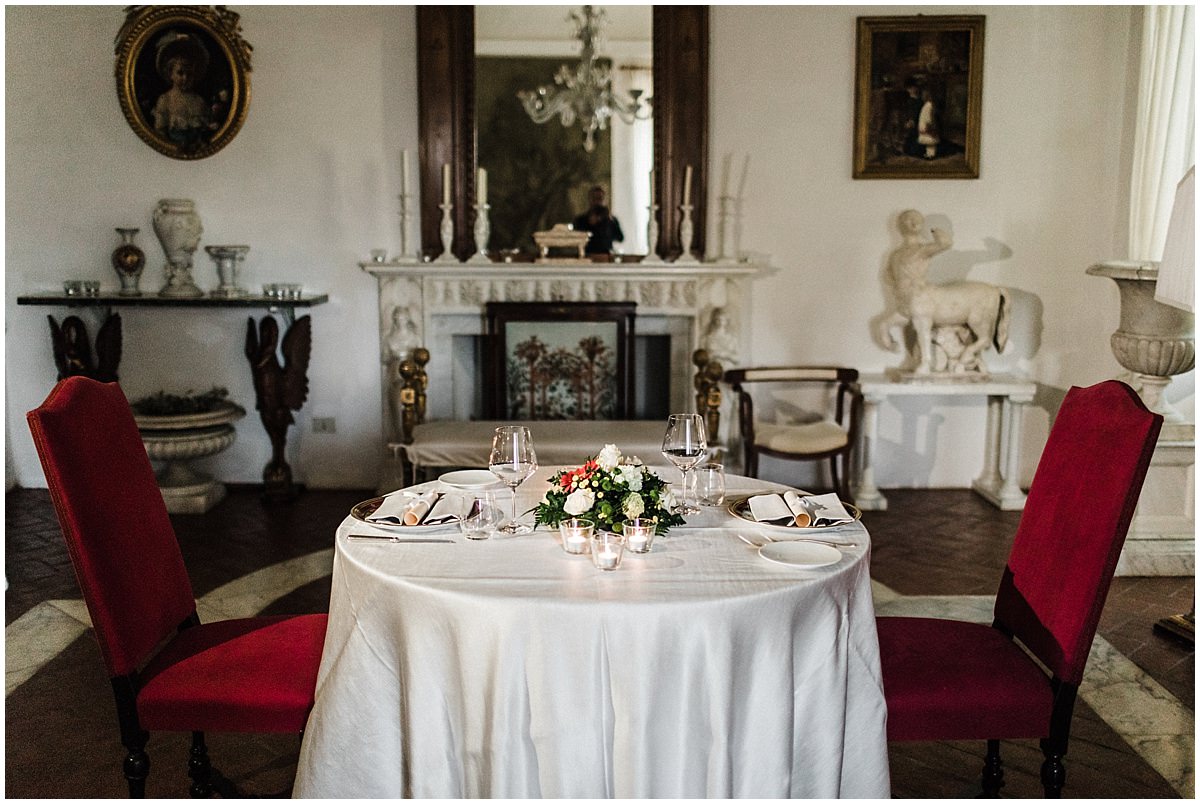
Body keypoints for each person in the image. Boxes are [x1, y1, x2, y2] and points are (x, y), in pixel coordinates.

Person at [151, 31, 211, 147]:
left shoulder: (199, 101)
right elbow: (160, 132)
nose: (185, 77)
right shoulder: (165, 100)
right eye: (180, 73)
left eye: (189, 74)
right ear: (170, 74)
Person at [571, 185, 624, 255]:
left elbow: (620, 238)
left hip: (606, 256)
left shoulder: (610, 220)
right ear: (590, 199)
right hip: (588, 255)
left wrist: (610, 221)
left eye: (600, 198)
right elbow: (575, 238)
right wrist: (589, 224)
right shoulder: (581, 220)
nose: (598, 202)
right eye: (595, 198)